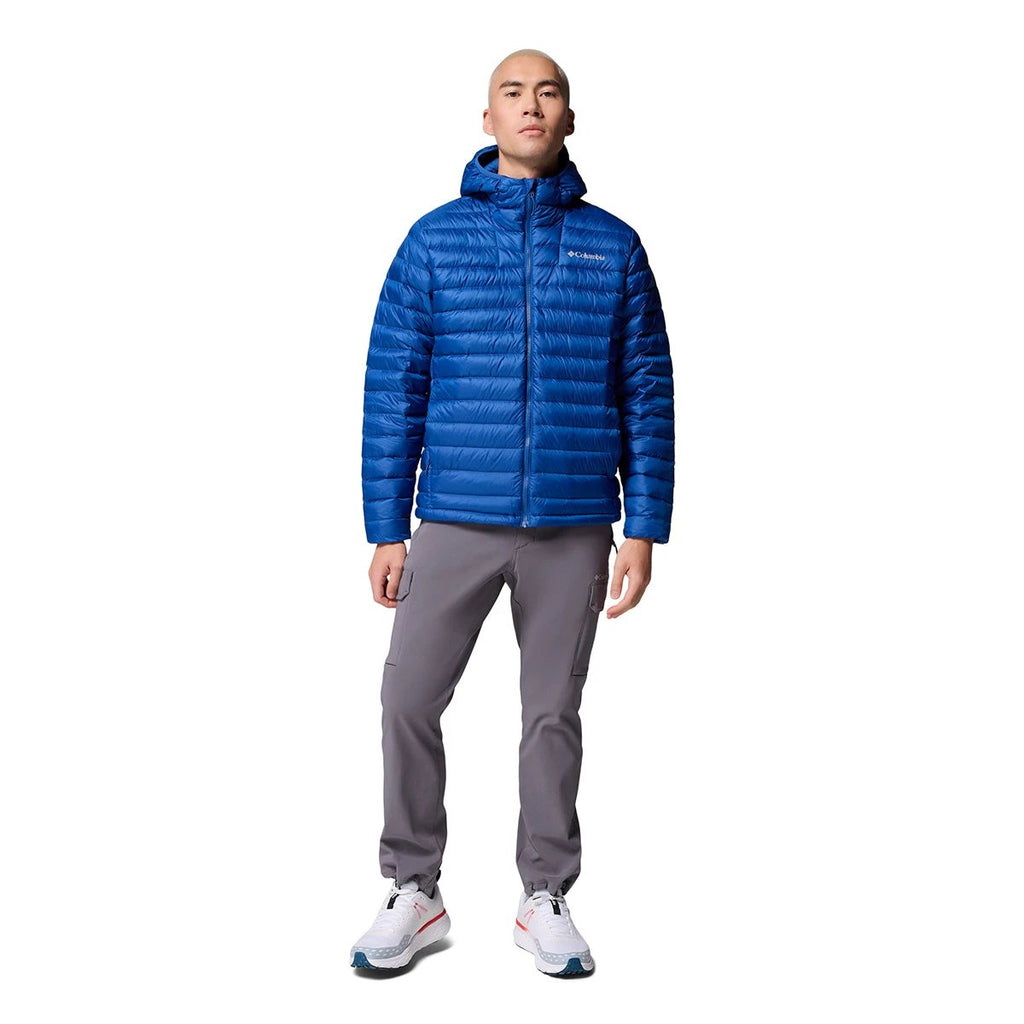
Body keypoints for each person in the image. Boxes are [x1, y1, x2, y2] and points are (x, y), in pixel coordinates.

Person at [350, 48, 674, 976]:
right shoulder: (433, 242)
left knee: (551, 716)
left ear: (569, 117)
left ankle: (545, 895)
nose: (532, 105)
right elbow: (394, 389)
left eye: (549, 92)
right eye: (512, 92)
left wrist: (643, 527)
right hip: (455, 515)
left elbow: (646, 390)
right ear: (486, 119)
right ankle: (415, 888)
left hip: (574, 523)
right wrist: (386, 527)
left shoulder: (613, 246)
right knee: (407, 698)